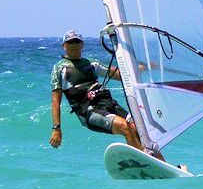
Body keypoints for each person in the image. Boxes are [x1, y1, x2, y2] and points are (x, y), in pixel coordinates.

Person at [48, 29, 164, 161]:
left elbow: (121, 75)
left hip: (108, 104)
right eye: (70, 42)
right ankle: (144, 162)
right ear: (64, 46)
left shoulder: (91, 63)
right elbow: (55, 102)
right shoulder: (59, 69)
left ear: (82, 45)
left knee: (140, 128)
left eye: (76, 42)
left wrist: (146, 67)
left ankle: (163, 164)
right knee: (125, 127)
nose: (74, 45)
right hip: (89, 112)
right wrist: (56, 128)